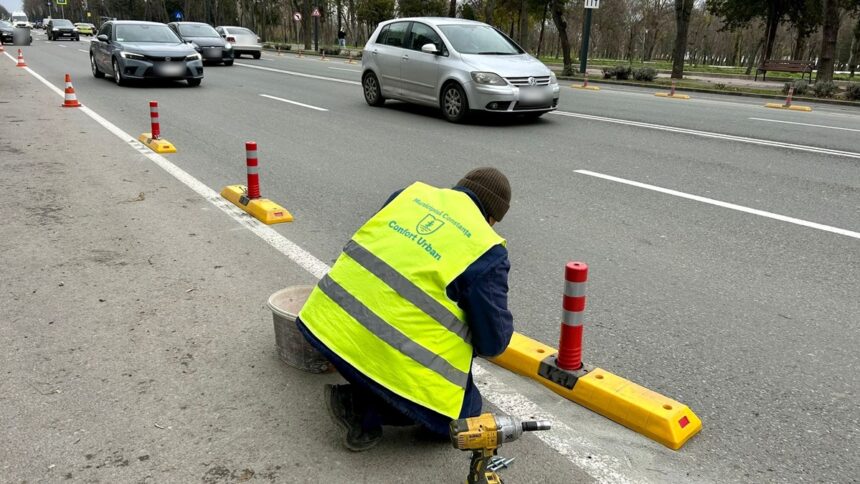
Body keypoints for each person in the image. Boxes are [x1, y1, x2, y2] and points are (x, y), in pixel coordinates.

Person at [296, 167, 514, 451]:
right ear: (492, 218)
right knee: (465, 413)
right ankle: (360, 408)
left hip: (323, 328)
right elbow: (493, 342)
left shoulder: (409, 196)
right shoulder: (487, 248)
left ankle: (364, 388)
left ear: (460, 187)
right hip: (379, 357)